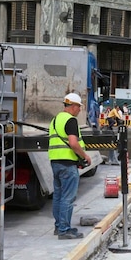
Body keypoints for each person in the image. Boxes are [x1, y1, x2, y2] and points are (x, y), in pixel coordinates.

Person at [49, 92, 91, 239]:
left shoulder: (55, 120)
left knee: (58, 196)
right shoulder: (70, 120)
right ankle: (64, 230)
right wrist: (84, 155)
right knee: (68, 197)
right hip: (67, 164)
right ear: (73, 106)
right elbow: (73, 143)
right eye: (79, 107)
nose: (79, 110)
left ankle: (58, 226)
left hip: (55, 162)